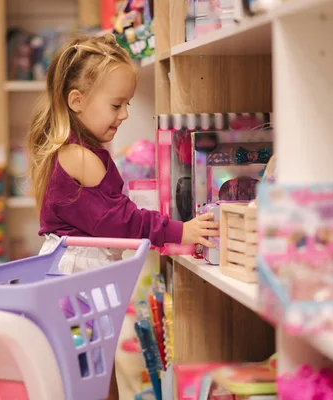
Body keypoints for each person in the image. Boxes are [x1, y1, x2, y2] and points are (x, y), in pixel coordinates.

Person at [27, 33, 218, 399]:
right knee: (92, 378)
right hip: (76, 287)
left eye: (127, 104)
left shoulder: (78, 152)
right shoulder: (80, 157)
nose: (126, 114)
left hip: (73, 283)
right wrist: (182, 230)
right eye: (117, 105)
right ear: (77, 101)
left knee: (91, 375)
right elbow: (125, 223)